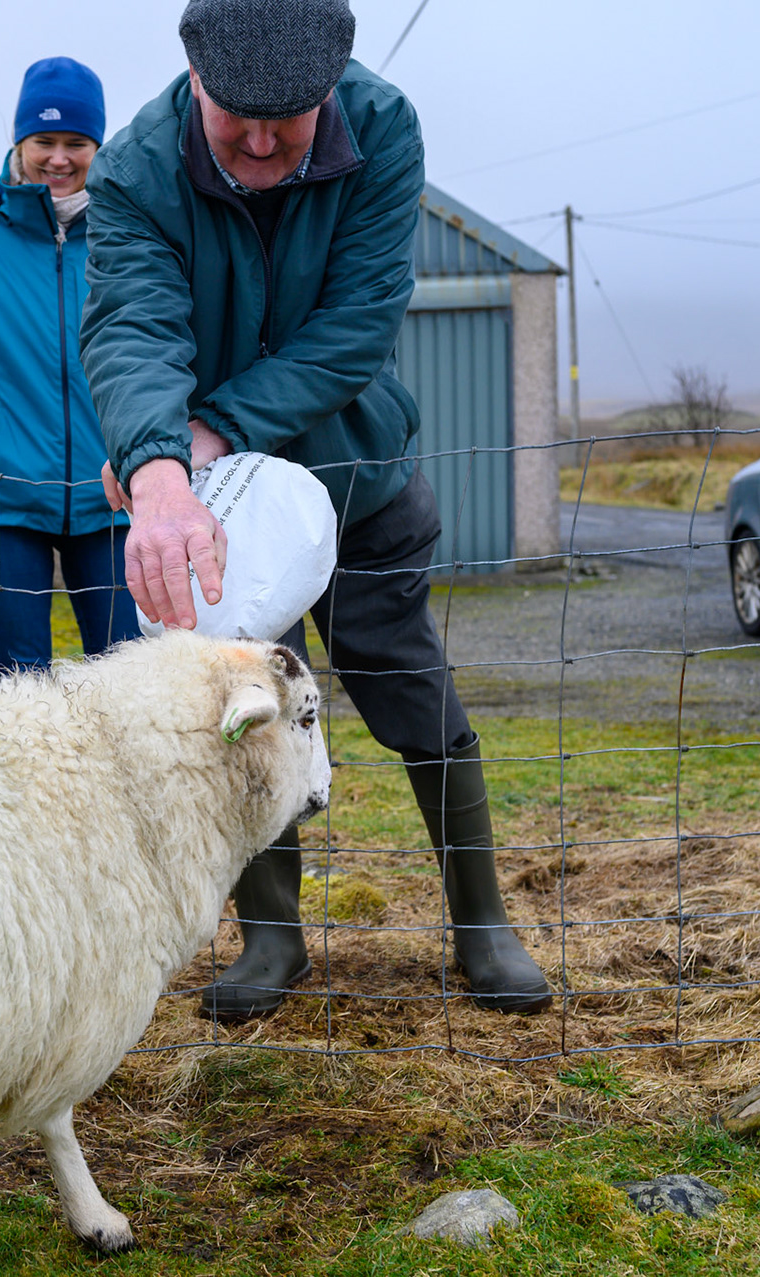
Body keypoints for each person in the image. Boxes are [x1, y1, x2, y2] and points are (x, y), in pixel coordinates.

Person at [81, 0, 553, 1018]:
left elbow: (357, 324)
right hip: (221, 519)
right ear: (195, 78)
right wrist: (160, 467)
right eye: (233, 115)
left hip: (360, 478)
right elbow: (132, 324)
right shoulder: (133, 170)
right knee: (238, 713)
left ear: (331, 85)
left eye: (287, 119)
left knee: (413, 693)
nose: (258, 142)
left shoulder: (384, 130)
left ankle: (483, 924)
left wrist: (209, 427)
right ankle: (273, 938)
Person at [0, 56, 142, 672]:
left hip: (115, 499)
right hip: (1, 502)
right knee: (19, 695)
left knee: (129, 688)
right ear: (19, 141)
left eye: (76, 142)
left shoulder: (131, 236)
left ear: (98, 145)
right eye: (44, 141)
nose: (59, 158)